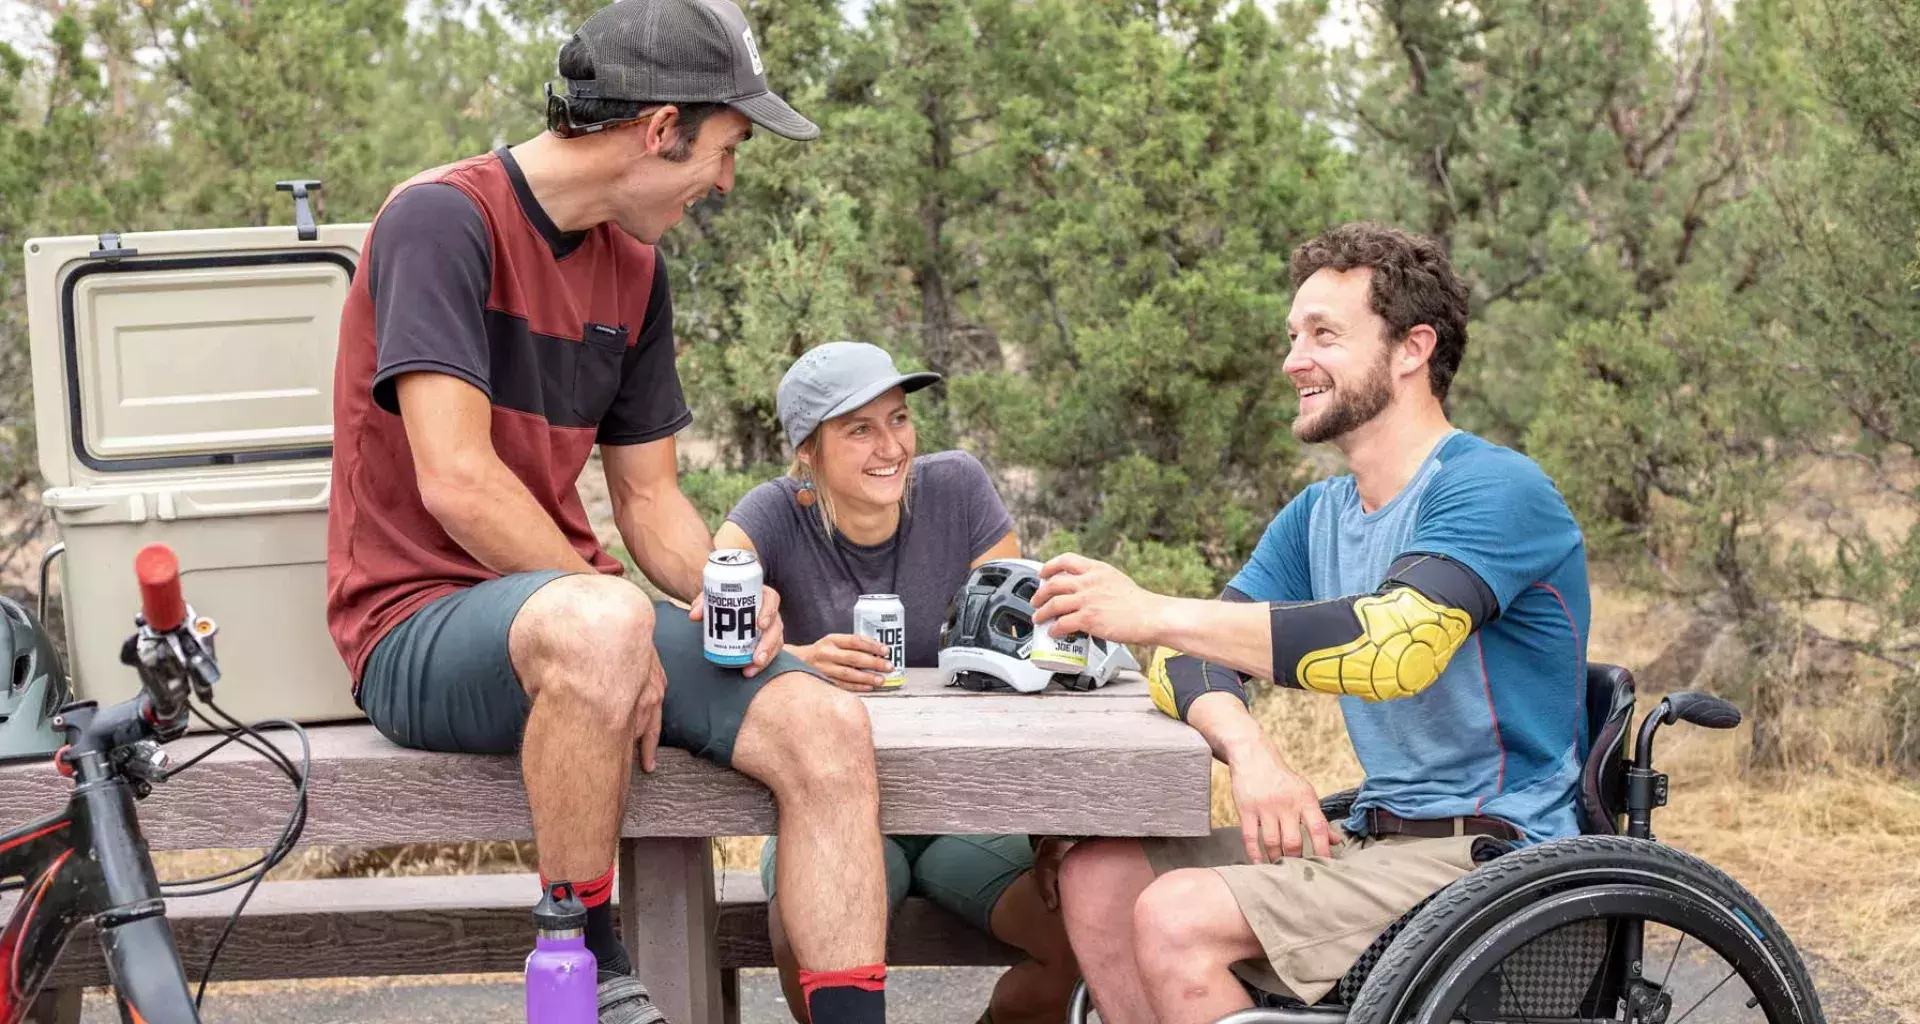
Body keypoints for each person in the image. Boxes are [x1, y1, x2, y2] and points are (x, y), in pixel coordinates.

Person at [323, 3, 896, 1022]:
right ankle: (585, 960)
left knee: (826, 724)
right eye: (723, 152)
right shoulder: (440, 219)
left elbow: (648, 497)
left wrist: (729, 588)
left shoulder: (634, 270)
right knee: (604, 621)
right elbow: (456, 479)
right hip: (415, 625)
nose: (724, 181)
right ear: (660, 127)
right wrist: (617, 620)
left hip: (577, 619)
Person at [1033, 222, 1591, 1023]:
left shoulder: (1495, 489)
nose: (1293, 360)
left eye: (1324, 335)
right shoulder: (1318, 514)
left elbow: (1393, 648)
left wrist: (1153, 611)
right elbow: (1181, 661)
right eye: (1294, 336)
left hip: (1489, 856)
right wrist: (1249, 751)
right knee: (1099, 875)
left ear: (1412, 349)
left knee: (1175, 915)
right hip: (1372, 834)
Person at [712, 341, 1082, 1024]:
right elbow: (704, 628)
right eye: (859, 428)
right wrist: (792, 660)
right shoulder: (769, 512)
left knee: (1085, 941)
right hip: (827, 808)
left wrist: (1047, 826)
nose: (891, 446)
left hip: (962, 810)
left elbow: (1020, 656)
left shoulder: (958, 487)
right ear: (807, 451)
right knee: (802, 934)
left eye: (899, 419)